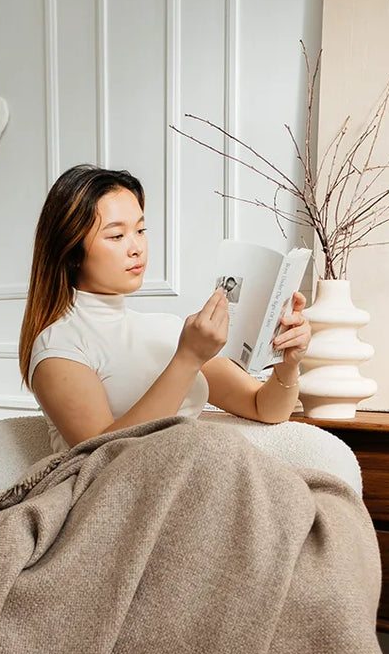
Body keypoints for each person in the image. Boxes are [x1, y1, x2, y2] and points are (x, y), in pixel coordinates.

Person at [18, 164, 311, 452]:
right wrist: (188, 357)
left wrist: (287, 364)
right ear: (71, 253)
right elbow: (103, 457)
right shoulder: (59, 347)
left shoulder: (167, 329)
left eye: (141, 230)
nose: (137, 248)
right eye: (117, 236)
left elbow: (263, 407)